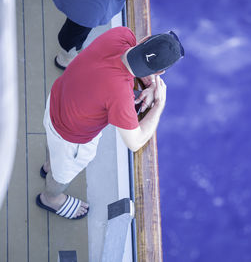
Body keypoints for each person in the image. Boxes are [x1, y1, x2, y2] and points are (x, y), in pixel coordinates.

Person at [36, 26, 184, 219]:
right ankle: (50, 198)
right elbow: (135, 142)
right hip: (71, 138)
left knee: (54, 147)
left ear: (144, 38)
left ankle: (49, 164)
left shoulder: (121, 34)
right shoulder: (120, 96)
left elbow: (120, 66)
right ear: (161, 72)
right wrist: (158, 105)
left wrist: (145, 78)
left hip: (56, 102)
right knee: (62, 175)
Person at [51, 0, 128, 69]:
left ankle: (70, 51)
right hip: (90, 6)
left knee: (77, 26)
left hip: (86, 5)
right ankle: (66, 58)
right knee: (73, 34)